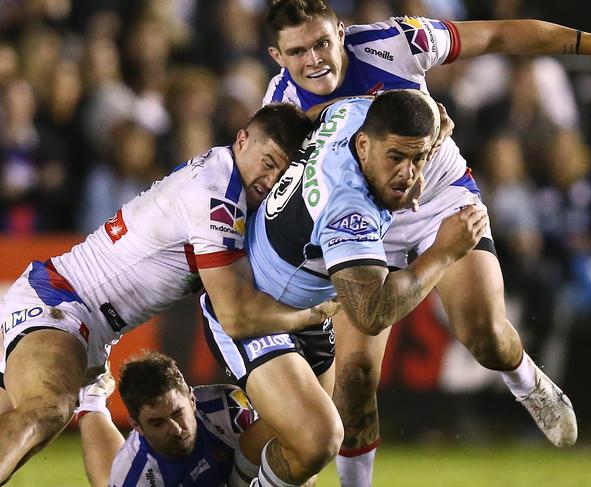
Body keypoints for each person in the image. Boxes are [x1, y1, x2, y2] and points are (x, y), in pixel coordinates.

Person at [262, 2, 591, 485]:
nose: (315, 59)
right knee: (356, 377)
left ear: (341, 31)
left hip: (437, 198)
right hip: (362, 225)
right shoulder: (278, 115)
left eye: (322, 42)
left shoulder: (395, 42)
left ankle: (524, 378)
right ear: (277, 55)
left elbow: (499, 36)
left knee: (484, 335)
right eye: (298, 51)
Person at [0, 103, 340, 484]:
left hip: (90, 326)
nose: (271, 177)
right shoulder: (219, 193)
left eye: (282, 171)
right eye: (268, 161)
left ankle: (91, 399)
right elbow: (236, 317)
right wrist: (313, 314)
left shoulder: (224, 174)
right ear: (242, 140)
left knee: (27, 435)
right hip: (63, 303)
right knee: (48, 407)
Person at [202, 89, 489, 487]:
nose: (408, 173)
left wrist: (433, 127)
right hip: (258, 309)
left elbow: (345, 110)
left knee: (295, 449)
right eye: (396, 158)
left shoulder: (356, 112)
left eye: (418, 159)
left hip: (307, 308)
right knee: (318, 440)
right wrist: (443, 253)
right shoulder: (348, 209)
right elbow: (372, 315)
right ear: (364, 145)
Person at [77, 352, 257, 487]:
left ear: (192, 400)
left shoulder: (229, 408)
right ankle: (93, 399)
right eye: (157, 423)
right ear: (137, 426)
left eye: (178, 413)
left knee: (269, 431)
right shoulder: (135, 477)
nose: (175, 430)